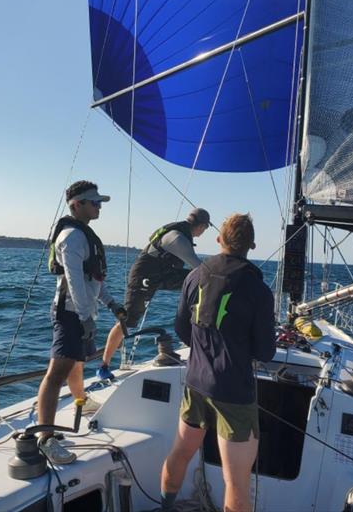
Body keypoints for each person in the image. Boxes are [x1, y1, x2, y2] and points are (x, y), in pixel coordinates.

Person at [160, 213, 275, 512]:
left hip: (196, 384)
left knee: (180, 453)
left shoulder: (194, 276)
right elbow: (265, 352)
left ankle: (165, 506)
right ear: (251, 245)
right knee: (235, 482)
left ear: (218, 240)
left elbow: (182, 329)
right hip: (234, 394)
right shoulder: (258, 290)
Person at [36, 180, 123, 465]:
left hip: (81, 312)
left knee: (77, 361)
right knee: (57, 371)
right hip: (70, 313)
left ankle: (81, 402)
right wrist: (85, 318)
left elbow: (94, 279)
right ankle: (45, 438)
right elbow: (73, 282)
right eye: (94, 202)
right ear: (77, 205)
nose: (99, 207)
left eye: (99, 202)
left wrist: (111, 303)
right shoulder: (72, 238)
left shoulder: (85, 236)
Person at [97, 208, 210, 381]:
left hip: (162, 274)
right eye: (206, 228)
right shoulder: (178, 238)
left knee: (198, 282)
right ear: (201, 226)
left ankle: (200, 328)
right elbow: (198, 266)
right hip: (144, 276)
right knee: (128, 321)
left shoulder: (183, 233)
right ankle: (103, 366)